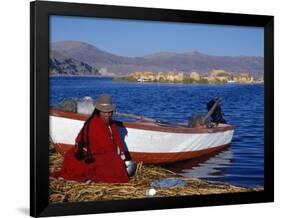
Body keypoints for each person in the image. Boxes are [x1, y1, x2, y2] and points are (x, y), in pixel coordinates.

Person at [51, 93, 129, 183]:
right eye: (104, 112)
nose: (107, 115)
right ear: (98, 111)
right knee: (114, 162)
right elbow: (105, 147)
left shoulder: (111, 124)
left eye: (109, 112)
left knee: (115, 160)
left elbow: (117, 142)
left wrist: (122, 156)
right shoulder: (94, 123)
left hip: (99, 154)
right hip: (88, 156)